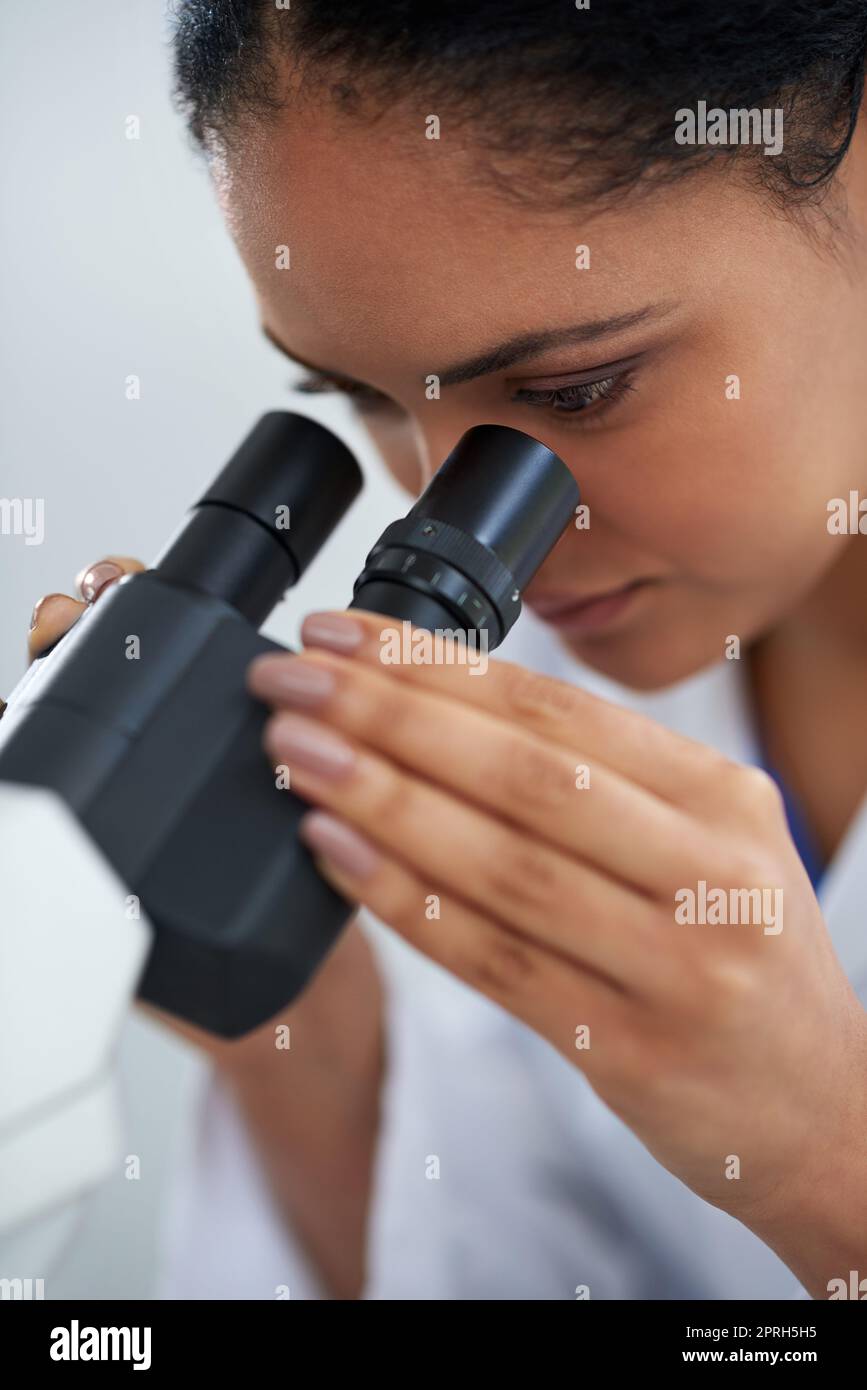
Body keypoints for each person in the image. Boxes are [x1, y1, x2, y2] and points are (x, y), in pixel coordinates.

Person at [28, 1, 867, 1299]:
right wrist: (285, 1007)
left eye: (576, 390)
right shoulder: (509, 729)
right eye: (354, 397)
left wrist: (826, 1153)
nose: (456, 526)